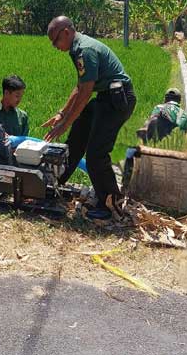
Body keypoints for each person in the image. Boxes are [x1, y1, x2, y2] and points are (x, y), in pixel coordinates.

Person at [42, 16, 136, 221]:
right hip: (105, 97)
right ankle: (56, 183)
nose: (55, 46)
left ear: (66, 32)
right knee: (77, 137)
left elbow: (85, 93)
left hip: (117, 100)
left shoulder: (85, 49)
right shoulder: (76, 49)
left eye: (56, 40)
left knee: (96, 153)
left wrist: (64, 124)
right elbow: (79, 86)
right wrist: (62, 114)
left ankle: (111, 203)